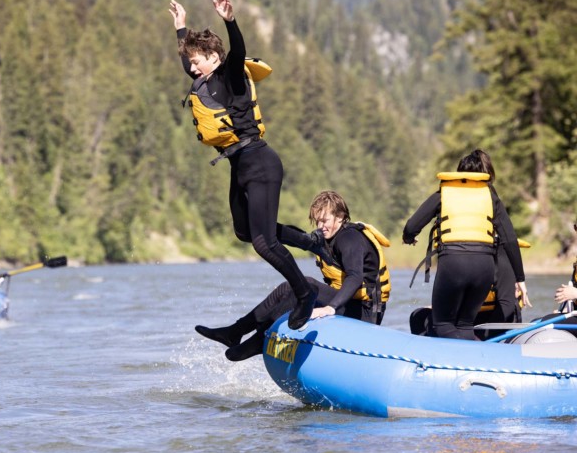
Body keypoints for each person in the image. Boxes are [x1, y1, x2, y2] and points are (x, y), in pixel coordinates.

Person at [169, 0, 316, 329]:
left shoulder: (229, 75)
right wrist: (181, 27)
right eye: (190, 62)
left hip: (260, 162)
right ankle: (309, 242)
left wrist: (229, 20)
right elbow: (185, 62)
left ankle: (304, 294)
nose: (191, 67)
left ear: (213, 57)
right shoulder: (204, 80)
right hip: (240, 166)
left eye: (196, 60)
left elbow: (239, 52)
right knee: (244, 232)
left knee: (264, 244)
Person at [196, 190, 391, 361]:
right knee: (289, 287)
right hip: (347, 304)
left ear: (340, 217)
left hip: (365, 314)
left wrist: (330, 308)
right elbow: (293, 237)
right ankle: (236, 332)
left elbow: (355, 277)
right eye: (318, 221)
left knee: (305, 285)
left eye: (325, 220)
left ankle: (256, 340)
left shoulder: (350, 239)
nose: (321, 226)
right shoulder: (329, 238)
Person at [403, 149, 529, 340]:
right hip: (483, 268)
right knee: (464, 324)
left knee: (443, 323)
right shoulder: (490, 197)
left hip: (453, 264)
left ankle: (463, 360)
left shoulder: (445, 193)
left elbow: (412, 226)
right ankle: (476, 361)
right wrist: (520, 279)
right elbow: (510, 239)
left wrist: (409, 238)